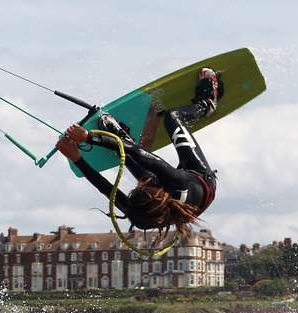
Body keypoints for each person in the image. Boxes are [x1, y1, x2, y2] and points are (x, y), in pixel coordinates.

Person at [56, 67, 221, 232]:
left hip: (166, 197)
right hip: (200, 178)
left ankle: (121, 137)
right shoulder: (178, 183)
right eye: (141, 189)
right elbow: (140, 153)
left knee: (126, 158)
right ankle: (207, 104)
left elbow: (105, 188)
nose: (137, 185)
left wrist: (78, 159)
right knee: (171, 117)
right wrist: (89, 137)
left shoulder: (139, 216)